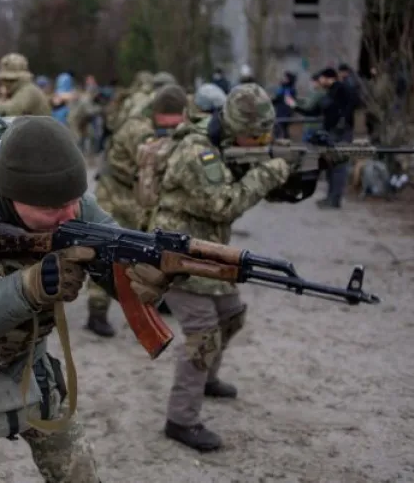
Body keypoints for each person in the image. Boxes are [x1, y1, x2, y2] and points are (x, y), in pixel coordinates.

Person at [0, 116, 170, 483]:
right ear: (10, 198)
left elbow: (116, 251)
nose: (71, 215)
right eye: (54, 209)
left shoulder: (65, 199)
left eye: (75, 201)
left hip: (24, 356)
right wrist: (32, 286)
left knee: (79, 473)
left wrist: (147, 276)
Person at [149, 83, 291, 452]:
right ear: (238, 129)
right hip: (177, 253)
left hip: (206, 250)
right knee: (203, 333)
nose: (263, 139)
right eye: (257, 135)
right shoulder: (200, 152)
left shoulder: (220, 141)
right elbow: (224, 204)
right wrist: (269, 172)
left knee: (231, 313)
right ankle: (181, 420)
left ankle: (205, 379)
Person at [86, 84, 188, 337]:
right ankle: (96, 312)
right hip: (114, 195)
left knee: (147, 254)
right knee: (104, 254)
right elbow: (157, 156)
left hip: (138, 195)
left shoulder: (160, 122)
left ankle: (155, 304)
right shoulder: (137, 127)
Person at [286, 67, 351, 209]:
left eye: (321, 78)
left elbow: (349, 108)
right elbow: (315, 111)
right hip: (332, 133)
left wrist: (342, 124)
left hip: (340, 133)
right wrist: (295, 106)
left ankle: (335, 200)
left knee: (338, 166)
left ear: (328, 78)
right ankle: (330, 197)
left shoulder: (341, 90)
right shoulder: (331, 92)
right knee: (331, 166)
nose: (319, 81)